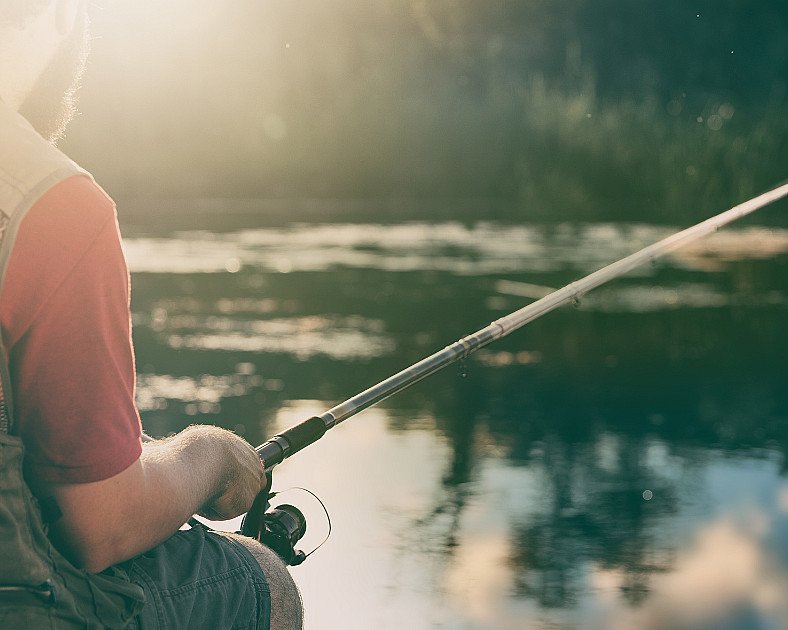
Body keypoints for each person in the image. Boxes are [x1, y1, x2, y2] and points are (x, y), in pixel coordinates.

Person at [0, 1, 302, 627]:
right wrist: (210, 455)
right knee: (261, 581)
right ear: (56, 16)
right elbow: (98, 527)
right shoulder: (48, 203)